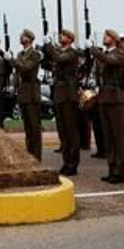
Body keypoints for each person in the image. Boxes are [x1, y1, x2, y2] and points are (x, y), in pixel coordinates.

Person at [90, 29, 124, 184]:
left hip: (115, 97)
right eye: (104, 35)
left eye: (107, 36)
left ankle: (120, 170)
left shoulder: (119, 53)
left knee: (117, 136)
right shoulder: (104, 55)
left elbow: (111, 62)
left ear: (114, 39)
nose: (104, 38)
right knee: (108, 137)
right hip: (104, 97)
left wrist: (94, 51)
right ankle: (111, 168)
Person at [44, 28, 83, 176]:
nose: (61, 37)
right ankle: (66, 161)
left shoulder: (72, 52)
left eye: (64, 35)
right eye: (61, 35)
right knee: (63, 132)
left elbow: (59, 59)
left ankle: (73, 163)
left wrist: (49, 46)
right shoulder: (60, 51)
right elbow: (52, 60)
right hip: (60, 94)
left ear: (71, 39)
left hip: (69, 94)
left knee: (71, 131)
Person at [12, 29, 44, 161]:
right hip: (23, 92)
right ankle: (29, 154)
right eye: (21, 35)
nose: (21, 37)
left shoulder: (35, 54)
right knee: (27, 127)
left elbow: (25, 68)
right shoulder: (20, 54)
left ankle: (36, 156)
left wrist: (12, 61)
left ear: (30, 38)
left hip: (31, 92)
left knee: (34, 127)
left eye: (24, 36)